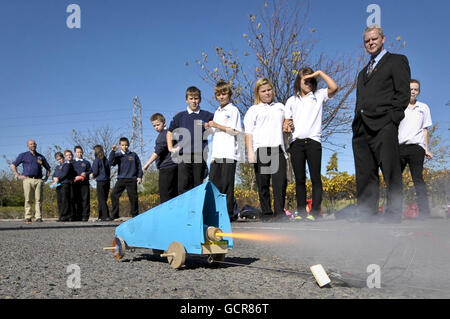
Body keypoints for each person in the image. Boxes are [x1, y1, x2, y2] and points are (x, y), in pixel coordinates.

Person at [352, 25, 411, 223]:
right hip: (361, 128)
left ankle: (394, 215)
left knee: (390, 170)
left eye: (374, 38)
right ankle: (367, 214)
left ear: (383, 38)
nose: (371, 42)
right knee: (365, 173)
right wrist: (356, 124)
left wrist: (392, 118)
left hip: (384, 124)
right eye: (367, 40)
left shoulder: (396, 61)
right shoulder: (362, 73)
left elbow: (402, 93)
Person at [285, 68, 338, 221]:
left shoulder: (319, 95)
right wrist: (287, 126)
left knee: (316, 178)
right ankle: (301, 213)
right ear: (299, 82)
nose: (308, 83)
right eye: (305, 80)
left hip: (314, 142)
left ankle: (315, 213)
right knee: (300, 179)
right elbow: (287, 123)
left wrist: (320, 73)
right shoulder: (291, 100)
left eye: (311, 80)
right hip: (296, 143)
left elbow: (334, 88)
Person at [244, 78, 288, 222]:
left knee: (280, 183)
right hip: (261, 150)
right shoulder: (253, 110)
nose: (267, 93)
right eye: (263, 91)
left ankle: (280, 213)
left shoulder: (281, 107)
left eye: (269, 90)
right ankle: (267, 214)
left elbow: (287, 123)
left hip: (278, 149)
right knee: (263, 184)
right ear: (258, 93)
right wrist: (250, 152)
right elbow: (248, 132)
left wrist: (288, 126)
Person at [167, 86, 214, 194]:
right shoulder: (180, 116)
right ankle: (186, 210)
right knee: (183, 185)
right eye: (191, 99)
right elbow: (170, 132)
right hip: (183, 155)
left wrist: (210, 126)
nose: (194, 101)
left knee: (198, 185)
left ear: (200, 99)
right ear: (186, 100)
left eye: (196, 98)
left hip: (200, 155)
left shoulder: (207, 115)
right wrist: (170, 147)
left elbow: (217, 124)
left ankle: (197, 210)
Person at [207, 80, 243, 221]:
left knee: (227, 185)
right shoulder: (217, 112)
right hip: (216, 154)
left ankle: (228, 214)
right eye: (218, 94)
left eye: (224, 94)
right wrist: (210, 127)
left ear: (229, 94)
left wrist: (216, 124)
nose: (221, 97)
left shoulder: (233, 110)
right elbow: (216, 131)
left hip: (229, 153)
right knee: (215, 185)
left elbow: (235, 131)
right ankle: (216, 213)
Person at [398, 79, 433, 218]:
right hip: (399, 147)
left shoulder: (423, 108)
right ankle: (393, 211)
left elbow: (425, 130)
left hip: (417, 148)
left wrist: (426, 149)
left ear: (419, 92)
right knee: (394, 179)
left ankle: (425, 213)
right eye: (410, 89)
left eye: (416, 89)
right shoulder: (399, 107)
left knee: (418, 178)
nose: (412, 91)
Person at [10, 139, 51, 224]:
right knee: (28, 199)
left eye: (34, 144)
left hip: (38, 180)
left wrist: (46, 178)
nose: (33, 145)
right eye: (31, 144)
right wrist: (18, 175)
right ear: (27, 146)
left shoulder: (40, 156)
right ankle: (28, 217)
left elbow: (48, 168)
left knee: (38, 199)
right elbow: (13, 165)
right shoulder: (23, 155)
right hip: (27, 179)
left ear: (36, 145)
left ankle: (38, 217)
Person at [143, 113, 178, 203]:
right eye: (154, 126)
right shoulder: (170, 133)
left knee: (165, 195)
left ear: (164, 123)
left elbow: (157, 153)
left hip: (167, 168)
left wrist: (147, 164)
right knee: (174, 193)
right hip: (173, 166)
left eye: (158, 125)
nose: (156, 127)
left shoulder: (163, 135)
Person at [109, 137, 143, 219]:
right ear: (120, 146)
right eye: (123, 145)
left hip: (132, 179)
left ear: (128, 145)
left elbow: (139, 166)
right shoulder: (118, 155)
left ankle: (135, 215)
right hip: (121, 179)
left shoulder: (133, 155)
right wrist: (113, 151)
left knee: (133, 198)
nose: (125, 147)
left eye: (126, 145)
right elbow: (110, 162)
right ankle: (115, 214)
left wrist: (139, 176)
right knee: (114, 195)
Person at [90, 145, 112, 221]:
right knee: (104, 199)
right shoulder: (105, 159)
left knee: (101, 199)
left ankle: (106, 216)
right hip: (107, 181)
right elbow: (109, 170)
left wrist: (92, 175)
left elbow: (95, 171)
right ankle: (101, 216)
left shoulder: (97, 160)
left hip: (100, 181)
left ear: (96, 151)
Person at [52, 152, 74, 222]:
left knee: (65, 200)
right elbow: (54, 174)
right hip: (58, 185)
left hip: (65, 184)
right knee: (60, 201)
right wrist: (54, 178)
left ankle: (66, 216)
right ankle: (61, 215)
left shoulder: (66, 165)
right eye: (57, 159)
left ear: (63, 158)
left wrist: (58, 178)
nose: (59, 160)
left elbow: (64, 173)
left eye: (60, 159)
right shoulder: (57, 167)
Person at [72, 146, 92, 221]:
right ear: (75, 153)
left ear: (82, 152)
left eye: (80, 152)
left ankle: (85, 216)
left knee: (85, 199)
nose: (79, 154)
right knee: (76, 199)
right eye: (78, 152)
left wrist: (86, 173)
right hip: (75, 184)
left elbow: (90, 171)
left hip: (85, 183)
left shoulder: (86, 162)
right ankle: (77, 216)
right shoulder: (72, 163)